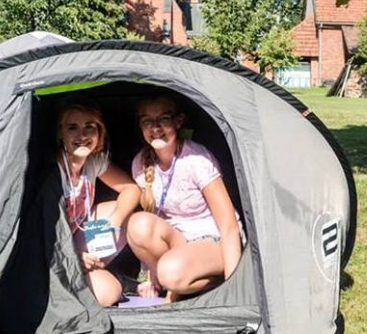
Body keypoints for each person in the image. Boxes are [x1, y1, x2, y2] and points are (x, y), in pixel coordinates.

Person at [126, 94, 242, 302]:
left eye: (163, 119)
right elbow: (155, 217)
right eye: (147, 121)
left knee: (170, 272)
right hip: (179, 240)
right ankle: (171, 280)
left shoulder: (196, 159)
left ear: (178, 122)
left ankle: (208, 284)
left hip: (213, 238)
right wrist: (148, 275)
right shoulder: (140, 163)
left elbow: (229, 226)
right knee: (137, 224)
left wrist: (235, 286)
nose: (155, 128)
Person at [56, 102, 141, 307]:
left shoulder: (93, 162)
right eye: (72, 128)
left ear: (99, 133)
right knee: (109, 293)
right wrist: (72, 257)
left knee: (125, 213)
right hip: (54, 254)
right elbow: (38, 236)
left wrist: (114, 223)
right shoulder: (53, 171)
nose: (82, 135)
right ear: (61, 134)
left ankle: (93, 268)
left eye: (90, 127)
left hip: (75, 239)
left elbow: (132, 189)